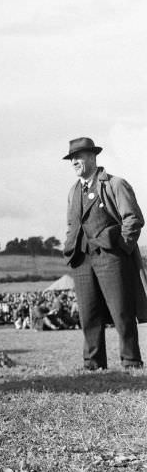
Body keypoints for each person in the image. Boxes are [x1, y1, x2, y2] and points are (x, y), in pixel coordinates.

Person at [63, 137, 146, 369]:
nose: (74, 162)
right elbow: (72, 225)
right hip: (82, 259)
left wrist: (121, 245)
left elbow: (134, 218)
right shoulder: (73, 191)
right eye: (71, 158)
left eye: (78, 157)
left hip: (111, 257)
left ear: (92, 157)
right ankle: (93, 363)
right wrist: (69, 245)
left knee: (122, 312)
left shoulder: (114, 184)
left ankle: (130, 361)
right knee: (88, 315)